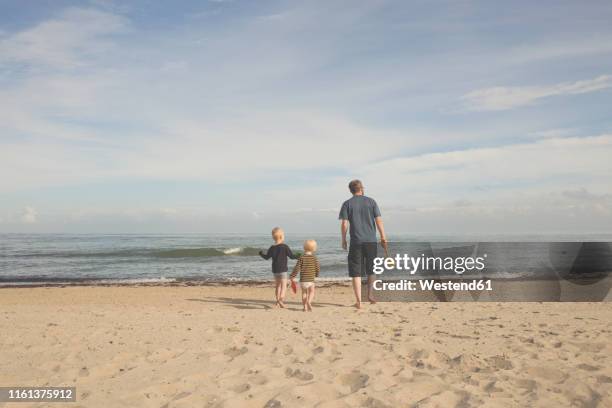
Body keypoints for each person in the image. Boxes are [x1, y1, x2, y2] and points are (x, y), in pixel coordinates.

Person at [339, 180, 387, 309]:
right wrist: (383, 236)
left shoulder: (347, 204)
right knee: (371, 268)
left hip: (356, 242)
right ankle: (370, 295)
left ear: (351, 190)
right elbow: (379, 220)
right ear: (362, 188)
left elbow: (344, 224)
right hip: (371, 241)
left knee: (356, 272)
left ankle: (359, 301)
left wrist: (343, 239)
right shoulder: (371, 202)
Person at [259, 227, 298, 308]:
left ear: (273, 237)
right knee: (284, 286)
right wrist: (299, 255)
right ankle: (281, 300)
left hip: (275, 270)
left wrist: (261, 253)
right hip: (283, 270)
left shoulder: (272, 248)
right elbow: (291, 256)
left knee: (278, 286)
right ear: (281, 236)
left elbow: (266, 257)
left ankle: (277, 301)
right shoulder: (285, 246)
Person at [290, 240, 320, 312]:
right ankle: (309, 302)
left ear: (304, 248)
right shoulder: (314, 258)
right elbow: (317, 267)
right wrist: (317, 274)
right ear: (314, 249)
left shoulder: (301, 258)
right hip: (311, 280)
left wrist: (292, 275)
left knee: (304, 293)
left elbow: (297, 268)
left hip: (303, 280)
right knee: (312, 291)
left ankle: (304, 307)